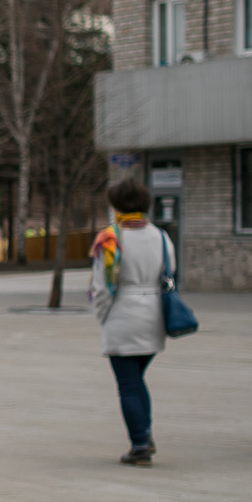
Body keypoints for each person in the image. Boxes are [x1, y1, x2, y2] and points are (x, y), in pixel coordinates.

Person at [90, 178, 171, 466]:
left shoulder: (110, 238)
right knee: (136, 380)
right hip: (154, 316)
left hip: (123, 314)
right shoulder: (161, 236)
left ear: (115, 205)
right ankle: (144, 436)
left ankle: (139, 444)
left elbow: (101, 287)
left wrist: (103, 316)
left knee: (128, 383)